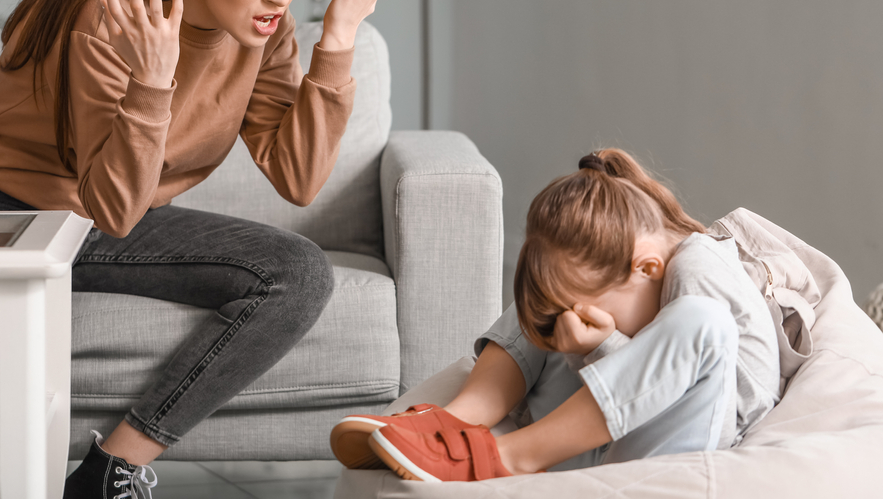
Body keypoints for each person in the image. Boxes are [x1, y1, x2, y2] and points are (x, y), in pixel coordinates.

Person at [0, 0, 430, 498]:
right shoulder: (110, 14)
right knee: (22, 453)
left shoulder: (264, 31)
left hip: (104, 212)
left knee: (297, 271)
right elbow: (117, 208)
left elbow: (298, 177)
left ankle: (112, 469)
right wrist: (153, 81)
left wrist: (337, 38)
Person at [331, 149, 782, 482]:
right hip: (583, 450)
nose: (573, 322)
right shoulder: (638, 266)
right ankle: (457, 421)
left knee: (703, 322)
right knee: (549, 286)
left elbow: (740, 407)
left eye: (583, 313)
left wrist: (604, 347)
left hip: (662, 460)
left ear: (647, 268)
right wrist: (592, 343)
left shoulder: (697, 268)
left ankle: (504, 457)